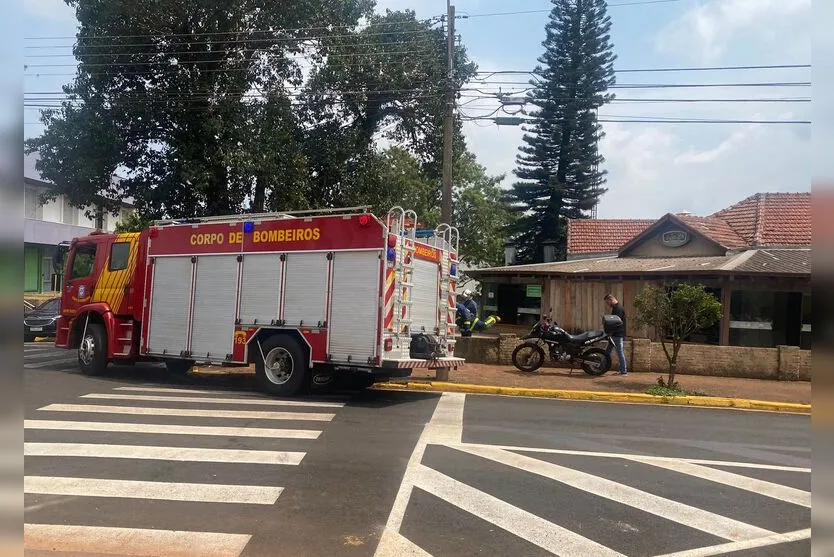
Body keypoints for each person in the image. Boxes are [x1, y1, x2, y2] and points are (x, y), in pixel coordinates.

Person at [604, 293, 628, 376]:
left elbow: (615, 323)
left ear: (611, 300)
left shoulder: (618, 309)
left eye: (608, 302)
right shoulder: (616, 308)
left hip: (617, 335)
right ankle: (601, 367)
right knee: (607, 351)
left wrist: (610, 331)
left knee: (619, 352)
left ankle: (623, 371)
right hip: (614, 334)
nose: (608, 304)